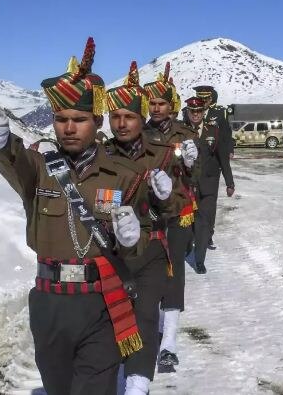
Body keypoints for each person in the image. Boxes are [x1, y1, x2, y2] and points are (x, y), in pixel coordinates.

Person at [0, 38, 149, 395]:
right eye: (61, 119)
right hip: (50, 302)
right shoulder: (40, 168)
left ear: (97, 121)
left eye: (79, 119)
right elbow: (16, 160)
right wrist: (1, 143)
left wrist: (134, 238)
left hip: (100, 302)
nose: (69, 127)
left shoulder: (124, 175)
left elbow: (140, 243)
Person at [105, 60, 181, 394]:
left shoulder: (162, 154)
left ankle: (137, 386)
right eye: (115, 117)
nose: (121, 124)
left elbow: (178, 202)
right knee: (111, 321)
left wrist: (166, 198)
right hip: (109, 251)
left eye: (129, 117)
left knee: (145, 316)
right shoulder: (100, 154)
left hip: (149, 247)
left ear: (141, 118)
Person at [143, 62, 197, 369]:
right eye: (152, 103)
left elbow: (197, 175)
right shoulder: (142, 132)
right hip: (149, 211)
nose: (156, 108)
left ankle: (169, 341)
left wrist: (191, 164)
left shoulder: (185, 133)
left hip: (177, 212)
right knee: (150, 269)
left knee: (174, 269)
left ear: (171, 106)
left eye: (161, 103)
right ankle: (150, 326)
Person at [184, 96, 235, 274]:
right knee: (189, 222)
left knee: (204, 222)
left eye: (199, 111)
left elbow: (222, 157)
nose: (196, 114)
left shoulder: (213, 131)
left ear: (204, 112)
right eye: (192, 111)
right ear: (188, 112)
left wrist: (230, 182)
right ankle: (188, 243)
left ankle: (199, 260)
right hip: (187, 185)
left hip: (209, 184)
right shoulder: (181, 131)